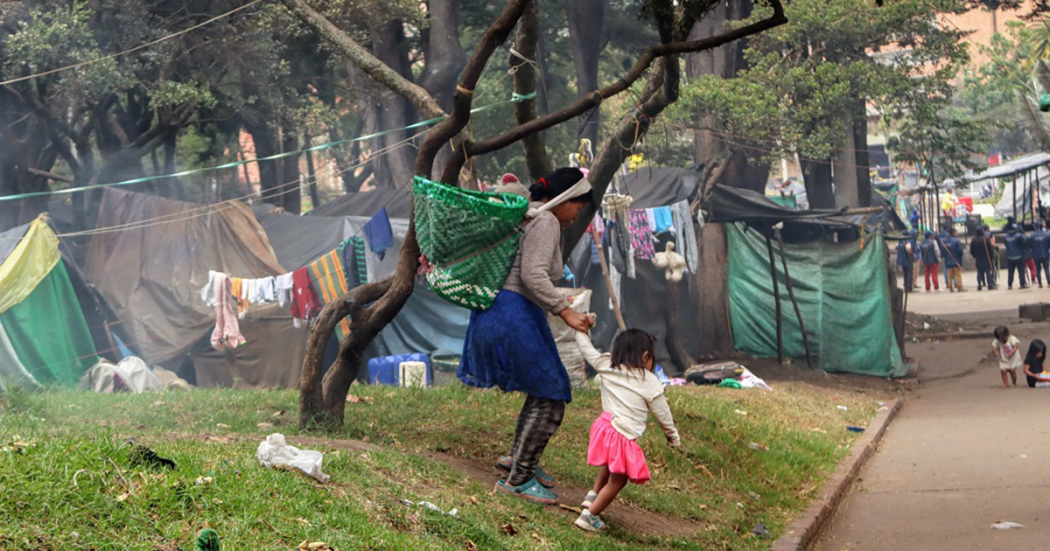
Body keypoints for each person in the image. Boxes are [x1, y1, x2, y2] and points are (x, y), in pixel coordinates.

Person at [458, 167, 595, 505]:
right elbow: (533, 275)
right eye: (578, 208)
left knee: (543, 389)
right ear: (563, 199)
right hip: (513, 311)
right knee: (552, 393)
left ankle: (518, 460)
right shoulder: (545, 220)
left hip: (501, 309)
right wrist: (567, 312)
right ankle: (518, 479)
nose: (577, 217)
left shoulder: (527, 217)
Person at [572, 329, 681, 532]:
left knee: (610, 463)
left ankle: (593, 496)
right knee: (618, 480)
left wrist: (580, 330)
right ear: (646, 357)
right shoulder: (649, 382)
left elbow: (587, 350)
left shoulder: (606, 366)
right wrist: (673, 438)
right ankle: (589, 517)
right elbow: (663, 416)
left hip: (604, 428)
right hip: (622, 435)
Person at [1004, 225, 1029, 289]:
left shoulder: (1006, 236)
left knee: (1010, 271)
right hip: (1019, 255)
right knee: (1021, 271)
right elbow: (1024, 244)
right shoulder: (1019, 236)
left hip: (1010, 256)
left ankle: (1009, 284)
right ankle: (1022, 284)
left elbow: (1006, 244)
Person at [1030, 220, 1050, 288]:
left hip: (1036, 255)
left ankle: (1040, 284)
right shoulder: (1046, 234)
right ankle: (1049, 282)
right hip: (1045, 254)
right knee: (1046, 269)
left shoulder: (1032, 235)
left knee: (1038, 269)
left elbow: (1030, 245)